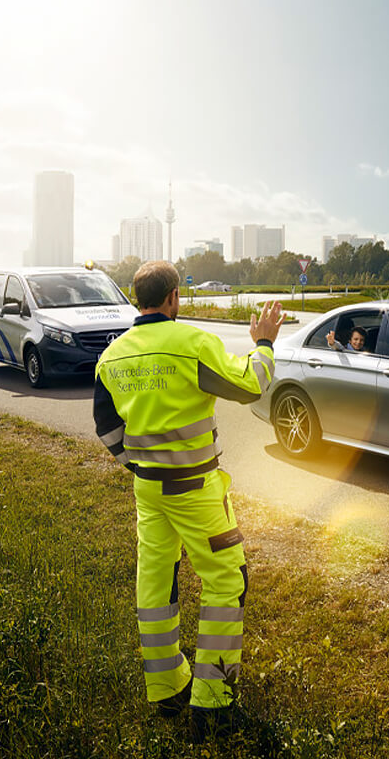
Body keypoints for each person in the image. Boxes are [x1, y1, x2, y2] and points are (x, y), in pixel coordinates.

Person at [93, 260, 284, 740]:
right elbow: (249, 385)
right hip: (196, 490)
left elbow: (107, 429)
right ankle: (213, 703)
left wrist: (135, 463)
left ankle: (166, 690)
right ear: (175, 297)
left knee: (155, 585)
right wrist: (263, 344)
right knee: (226, 580)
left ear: (139, 298)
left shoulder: (112, 357)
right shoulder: (192, 344)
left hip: (148, 491)